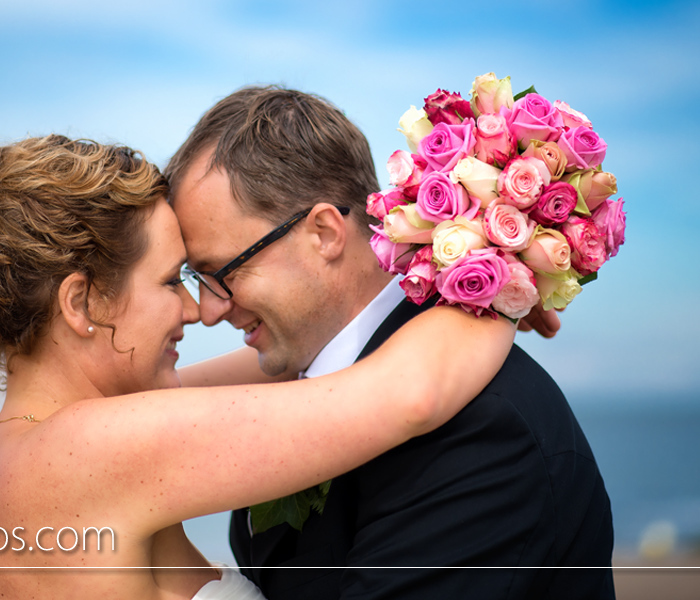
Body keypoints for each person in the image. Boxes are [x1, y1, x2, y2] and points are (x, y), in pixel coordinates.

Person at [0, 134, 516, 599]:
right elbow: (411, 394)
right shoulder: (95, 447)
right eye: (172, 281)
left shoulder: (34, 443)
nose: (195, 310)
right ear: (80, 302)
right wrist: (509, 274)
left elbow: (293, 364)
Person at [165, 86, 616, 599]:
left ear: (324, 233)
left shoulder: (481, 434)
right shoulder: (306, 377)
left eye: (221, 272)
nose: (208, 309)